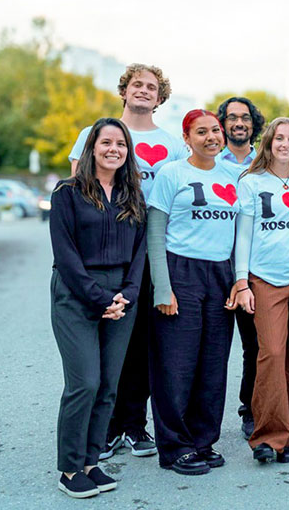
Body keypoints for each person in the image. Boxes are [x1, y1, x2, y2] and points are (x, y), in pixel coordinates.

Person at [69, 64, 186, 460]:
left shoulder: (171, 145)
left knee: (140, 346)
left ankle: (133, 425)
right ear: (124, 90)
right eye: (137, 84)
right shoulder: (95, 133)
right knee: (101, 343)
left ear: (160, 97)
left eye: (152, 87)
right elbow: (78, 193)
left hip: (150, 254)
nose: (143, 91)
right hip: (103, 255)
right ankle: (101, 429)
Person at [51, 118, 147, 497]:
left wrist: (128, 294)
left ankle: (92, 462)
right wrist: (99, 297)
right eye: (106, 142)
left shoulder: (133, 196)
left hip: (121, 296)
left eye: (121, 144)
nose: (113, 149)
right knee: (84, 382)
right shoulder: (67, 193)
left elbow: (140, 253)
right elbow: (66, 255)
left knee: (109, 385)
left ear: (128, 151)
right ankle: (70, 469)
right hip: (76, 294)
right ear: (91, 148)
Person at [146, 109, 240, 475]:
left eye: (215, 130)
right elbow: (155, 231)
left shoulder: (234, 175)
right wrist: (162, 288)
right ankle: (174, 446)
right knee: (176, 365)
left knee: (213, 365)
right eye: (201, 132)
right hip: (180, 271)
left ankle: (203, 440)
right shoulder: (172, 174)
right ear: (187, 138)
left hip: (221, 273)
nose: (211, 137)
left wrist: (238, 277)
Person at [228, 117, 289, 464]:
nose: (285, 144)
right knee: (271, 355)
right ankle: (267, 436)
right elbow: (244, 235)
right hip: (264, 278)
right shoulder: (250, 182)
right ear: (268, 143)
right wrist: (242, 281)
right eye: (279, 138)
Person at [217, 96, 266, 438]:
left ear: (254, 124)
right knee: (213, 348)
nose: (239, 123)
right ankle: (202, 418)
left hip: (253, 268)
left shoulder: (263, 165)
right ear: (222, 124)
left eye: (245, 118)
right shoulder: (207, 161)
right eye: (232, 117)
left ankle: (250, 408)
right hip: (216, 266)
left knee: (256, 345)